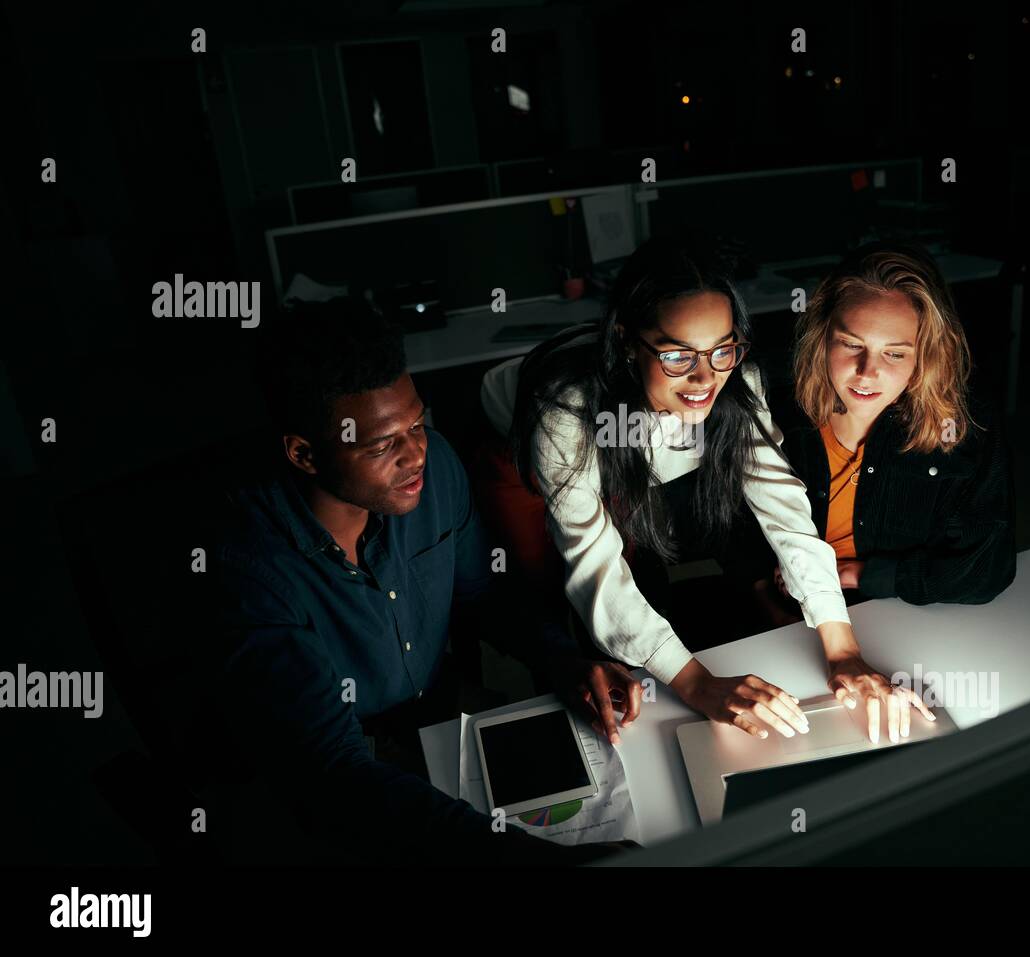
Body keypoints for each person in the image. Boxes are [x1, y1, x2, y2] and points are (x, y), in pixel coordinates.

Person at [200, 298, 612, 865]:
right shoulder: (251, 569)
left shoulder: (435, 468)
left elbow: (482, 596)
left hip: (437, 725)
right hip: (342, 783)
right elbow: (334, 775)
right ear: (304, 454)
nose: (415, 453)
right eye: (381, 445)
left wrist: (562, 658)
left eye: (417, 423)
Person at [479, 237, 935, 744]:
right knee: (554, 588)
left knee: (641, 568)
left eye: (722, 348)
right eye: (677, 353)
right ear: (629, 341)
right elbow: (595, 569)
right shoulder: (565, 412)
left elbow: (785, 511)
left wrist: (841, 648)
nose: (704, 377)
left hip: (640, 431)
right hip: (522, 446)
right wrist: (696, 685)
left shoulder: (739, 383)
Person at [767, 243, 1016, 612]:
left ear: (926, 353)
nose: (868, 372)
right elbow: (735, 535)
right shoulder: (778, 409)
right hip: (785, 617)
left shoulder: (965, 425)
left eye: (895, 353)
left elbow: (986, 571)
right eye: (852, 344)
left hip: (903, 616)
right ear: (823, 336)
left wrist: (863, 575)